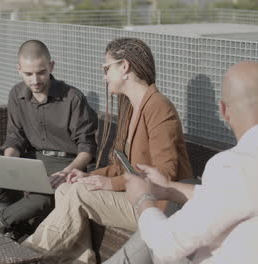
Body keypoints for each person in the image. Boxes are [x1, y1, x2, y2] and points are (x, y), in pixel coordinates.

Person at [22, 37, 192, 264]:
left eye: (106, 68)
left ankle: (27, 254)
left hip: (157, 204)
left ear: (124, 67)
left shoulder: (158, 107)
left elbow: (166, 174)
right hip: (136, 195)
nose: (104, 76)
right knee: (67, 188)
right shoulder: (132, 108)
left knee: (78, 194)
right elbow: (121, 166)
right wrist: (89, 176)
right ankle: (80, 260)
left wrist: (111, 184)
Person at [109, 61, 258, 264]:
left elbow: (167, 244)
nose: (105, 76)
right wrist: (169, 189)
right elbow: (229, 196)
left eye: (106, 68)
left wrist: (143, 198)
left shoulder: (234, 165)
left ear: (224, 110)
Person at [0, 40, 98, 235]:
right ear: (19, 69)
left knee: (42, 196)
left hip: (65, 163)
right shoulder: (16, 94)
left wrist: (65, 173)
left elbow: (87, 148)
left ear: (52, 66)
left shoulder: (73, 98)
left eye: (41, 72)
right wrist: (8, 161)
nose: (35, 80)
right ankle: (12, 216)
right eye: (28, 74)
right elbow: (15, 136)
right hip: (30, 159)